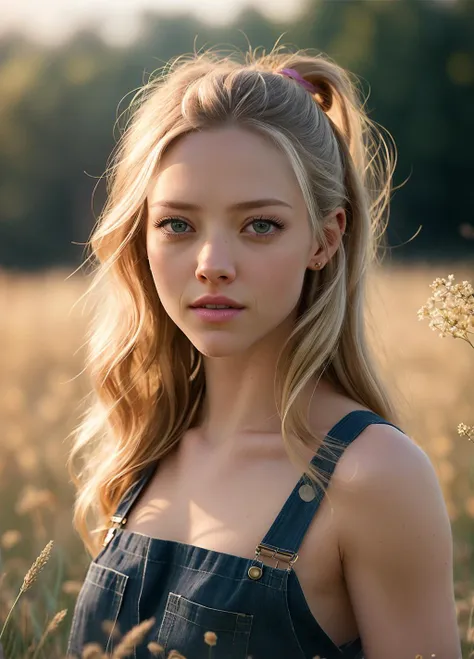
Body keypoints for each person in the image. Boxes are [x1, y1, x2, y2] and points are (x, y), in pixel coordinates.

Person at [65, 44, 461, 659]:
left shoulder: (373, 475)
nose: (212, 266)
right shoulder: (144, 445)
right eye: (177, 224)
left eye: (260, 226)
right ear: (140, 235)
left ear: (325, 240)